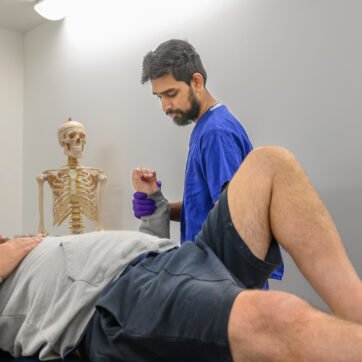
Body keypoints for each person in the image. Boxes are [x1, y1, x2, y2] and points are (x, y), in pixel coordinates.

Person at [1, 146, 362, 361]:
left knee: (270, 164)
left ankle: (356, 313)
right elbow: (115, 283)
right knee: (276, 315)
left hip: (175, 258)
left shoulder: (32, 247)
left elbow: (136, 252)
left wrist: (155, 204)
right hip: (115, 300)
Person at [135, 38, 284, 283]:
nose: (164, 106)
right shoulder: (206, 128)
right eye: (158, 97)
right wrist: (159, 207)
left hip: (225, 284)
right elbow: (209, 208)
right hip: (213, 280)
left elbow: (234, 219)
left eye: (170, 94)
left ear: (196, 82)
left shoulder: (216, 133)